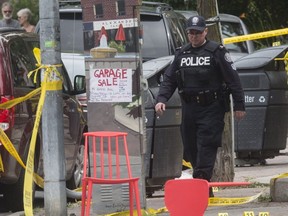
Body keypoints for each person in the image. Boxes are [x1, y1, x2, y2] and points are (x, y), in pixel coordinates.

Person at [154, 15, 246, 196]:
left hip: (212, 107)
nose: (194, 36)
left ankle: (199, 186)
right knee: (190, 147)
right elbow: (170, 79)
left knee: (206, 145)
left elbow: (233, 79)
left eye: (197, 32)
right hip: (189, 107)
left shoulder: (217, 51)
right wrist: (161, 99)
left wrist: (239, 105)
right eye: (191, 33)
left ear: (206, 32)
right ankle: (203, 183)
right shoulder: (182, 53)